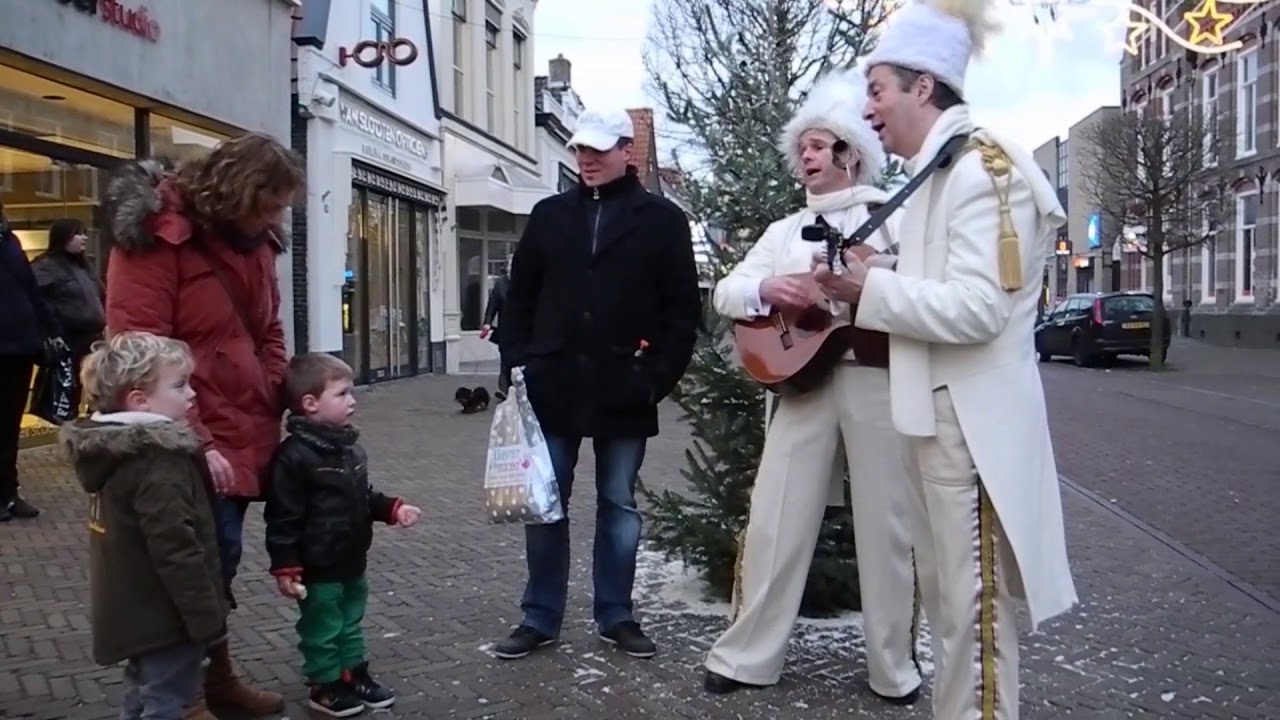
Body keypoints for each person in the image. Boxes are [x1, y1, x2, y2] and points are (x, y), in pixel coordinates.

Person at [812, 1, 1079, 716]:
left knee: (973, 609)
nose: (865, 111)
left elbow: (980, 310)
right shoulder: (941, 172)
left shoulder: (983, 171)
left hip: (972, 429)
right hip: (936, 418)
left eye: (877, 90)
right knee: (949, 604)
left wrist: (870, 283)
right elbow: (946, 285)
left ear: (923, 86)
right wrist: (884, 269)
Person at [702, 68, 923, 704]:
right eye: (802, 146)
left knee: (887, 525)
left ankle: (893, 667)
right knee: (776, 518)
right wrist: (769, 288)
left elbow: (929, 286)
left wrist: (878, 274)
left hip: (877, 378)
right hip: (801, 383)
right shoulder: (781, 232)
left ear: (851, 154)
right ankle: (746, 657)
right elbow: (726, 292)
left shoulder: (893, 220)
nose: (807, 155)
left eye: (820, 145)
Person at [103, 133, 302, 717]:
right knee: (186, 564)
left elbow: (268, 327)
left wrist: (272, 387)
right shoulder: (157, 239)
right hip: (181, 432)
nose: (274, 218)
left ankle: (215, 679)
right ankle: (183, 695)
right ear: (235, 192)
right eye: (267, 205)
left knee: (221, 558)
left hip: (243, 424)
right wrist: (201, 438)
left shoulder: (256, 239)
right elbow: (138, 350)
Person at [493, 108, 702, 660]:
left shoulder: (662, 221)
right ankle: (539, 617)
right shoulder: (548, 215)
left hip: (625, 386)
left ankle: (617, 614)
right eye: (580, 150)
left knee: (618, 503)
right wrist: (519, 362)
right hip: (553, 384)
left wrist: (656, 378)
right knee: (545, 503)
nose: (585, 159)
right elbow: (520, 301)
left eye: (597, 150)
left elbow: (683, 311)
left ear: (625, 151)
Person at [60, 331, 227, 720]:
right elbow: (175, 547)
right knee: (167, 700)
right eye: (180, 385)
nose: (192, 395)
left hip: (134, 612)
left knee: (141, 691)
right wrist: (205, 616)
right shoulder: (159, 462)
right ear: (140, 399)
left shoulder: (112, 452)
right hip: (166, 615)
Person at [264, 353, 421, 717]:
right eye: (342, 394)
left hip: (352, 558)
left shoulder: (350, 449)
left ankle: (352, 672)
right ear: (310, 403)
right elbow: (283, 517)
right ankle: (324, 682)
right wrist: (286, 565)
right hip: (318, 565)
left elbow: (361, 496)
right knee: (322, 625)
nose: (352, 401)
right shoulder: (293, 457)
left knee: (351, 620)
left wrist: (392, 509)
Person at [0, 199, 55, 521]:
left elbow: (30, 289)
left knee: (8, 425)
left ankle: (8, 491)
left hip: (18, 347)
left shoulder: (9, 241)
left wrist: (49, 328)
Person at [32, 218, 107, 412]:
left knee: (98, 389)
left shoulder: (84, 266)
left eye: (84, 233)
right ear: (63, 237)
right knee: (66, 393)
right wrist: (54, 330)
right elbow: (37, 301)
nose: (83, 238)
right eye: (77, 234)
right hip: (68, 339)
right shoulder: (45, 266)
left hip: (92, 337)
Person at [479, 268, 510, 400]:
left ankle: (517, 389)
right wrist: (487, 322)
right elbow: (492, 305)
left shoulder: (526, 282)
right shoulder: (500, 285)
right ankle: (504, 390)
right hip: (506, 330)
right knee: (505, 360)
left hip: (524, 330)